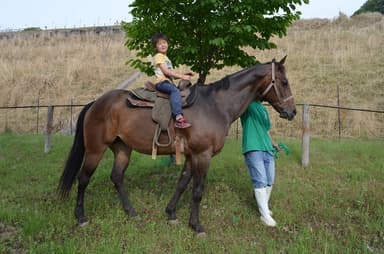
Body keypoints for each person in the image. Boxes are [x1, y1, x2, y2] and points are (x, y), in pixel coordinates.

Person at [240, 100, 278, 227]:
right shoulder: (247, 103)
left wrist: (273, 143)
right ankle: (265, 215)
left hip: (267, 148)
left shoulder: (263, 109)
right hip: (253, 146)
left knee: (270, 180)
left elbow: (266, 130)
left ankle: (264, 207)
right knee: (260, 180)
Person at [151, 33, 192, 129]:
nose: (163, 45)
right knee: (175, 91)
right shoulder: (158, 56)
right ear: (156, 47)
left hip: (168, 82)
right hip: (161, 82)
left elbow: (172, 76)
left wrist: (184, 76)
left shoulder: (166, 59)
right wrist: (182, 76)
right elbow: (166, 72)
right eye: (159, 43)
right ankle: (178, 117)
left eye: (164, 42)